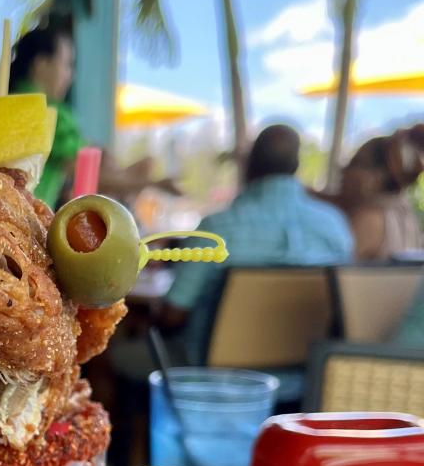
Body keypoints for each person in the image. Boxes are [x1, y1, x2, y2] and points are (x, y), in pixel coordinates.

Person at [160, 123, 354, 361]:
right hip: (305, 379)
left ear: (249, 165)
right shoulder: (334, 224)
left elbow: (173, 314)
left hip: (210, 382)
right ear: (296, 166)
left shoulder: (217, 229)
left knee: (116, 354)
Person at [7, 22, 80, 207]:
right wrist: (149, 182)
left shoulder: (4, 103)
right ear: (42, 64)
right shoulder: (50, 112)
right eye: (66, 65)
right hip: (32, 221)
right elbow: (83, 168)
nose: (70, 75)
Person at [331, 126, 424, 260]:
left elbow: (330, 274)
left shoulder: (369, 219)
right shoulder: (404, 215)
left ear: (376, 176)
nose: (344, 171)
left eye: (354, 163)